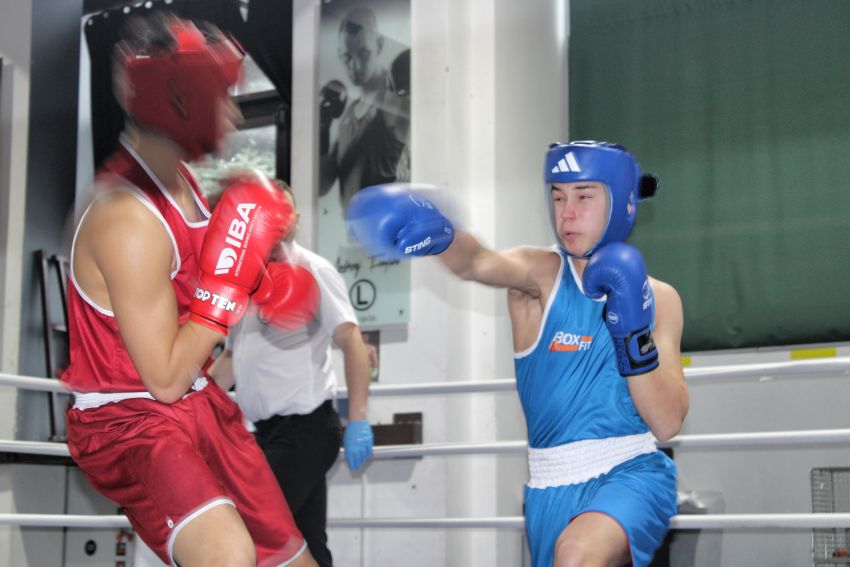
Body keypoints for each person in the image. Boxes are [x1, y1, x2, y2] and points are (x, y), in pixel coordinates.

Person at [345, 141, 688, 567]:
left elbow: (667, 422)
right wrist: (442, 237)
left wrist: (631, 330)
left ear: (623, 202)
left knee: (576, 555)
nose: (566, 214)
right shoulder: (541, 275)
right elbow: (477, 263)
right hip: (549, 485)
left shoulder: (660, 298)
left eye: (584, 196)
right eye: (558, 197)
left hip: (633, 469)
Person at [60, 14, 317, 567]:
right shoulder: (127, 217)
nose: (234, 114)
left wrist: (261, 264)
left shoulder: (186, 185)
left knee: (296, 562)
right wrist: (231, 280)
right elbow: (165, 378)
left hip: (200, 404)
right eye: (222, 97)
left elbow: (194, 305)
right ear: (182, 99)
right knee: (228, 556)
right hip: (132, 418)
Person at [208, 180, 375, 567]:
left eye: (283, 213)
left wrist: (359, 420)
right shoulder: (245, 282)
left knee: (247, 531)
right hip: (267, 434)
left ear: (296, 219)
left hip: (305, 430)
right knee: (306, 544)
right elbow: (232, 357)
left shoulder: (314, 270)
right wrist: (193, 402)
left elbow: (351, 340)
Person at [319, 6, 408, 210]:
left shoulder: (394, 96)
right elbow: (322, 187)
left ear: (379, 44)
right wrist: (322, 128)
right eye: (347, 57)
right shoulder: (349, 115)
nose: (355, 66)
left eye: (363, 54)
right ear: (339, 54)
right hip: (354, 229)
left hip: (393, 225)